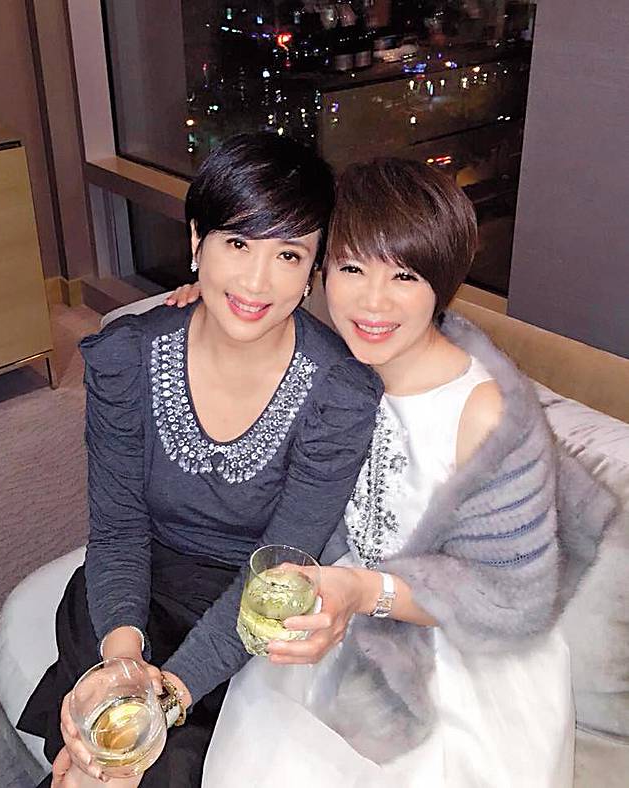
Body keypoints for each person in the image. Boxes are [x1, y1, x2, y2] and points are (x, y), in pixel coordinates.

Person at [168, 158, 617, 787]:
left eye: (404, 275)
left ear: (442, 283)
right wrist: (203, 300)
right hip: (338, 609)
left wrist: (362, 591)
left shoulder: (482, 413)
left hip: (459, 664)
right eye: (352, 268)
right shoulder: (333, 362)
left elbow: (513, 599)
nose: (372, 301)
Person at [16, 133, 384, 788]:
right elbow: (119, 531)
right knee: (103, 744)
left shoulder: (338, 396)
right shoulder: (127, 358)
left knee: (155, 766)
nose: (256, 281)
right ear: (197, 241)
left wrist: (168, 696)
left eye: (288, 254)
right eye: (237, 243)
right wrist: (122, 664)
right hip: (132, 592)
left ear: (313, 272)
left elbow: (278, 572)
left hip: (246, 620)